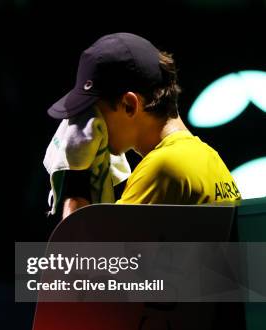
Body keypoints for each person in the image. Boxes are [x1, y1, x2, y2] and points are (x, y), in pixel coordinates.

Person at [47, 32, 241, 218]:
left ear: (129, 105)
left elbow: (78, 252)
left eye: (91, 113)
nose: (84, 128)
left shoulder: (162, 169)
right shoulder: (210, 158)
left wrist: (75, 179)